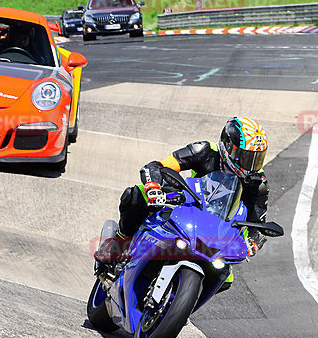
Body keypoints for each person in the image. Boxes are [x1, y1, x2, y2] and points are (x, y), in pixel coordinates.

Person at [94, 117, 270, 273]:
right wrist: (153, 187)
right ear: (228, 146)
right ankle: (119, 242)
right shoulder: (205, 150)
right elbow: (157, 166)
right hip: (189, 202)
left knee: (225, 277)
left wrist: (252, 242)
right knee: (135, 195)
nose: (251, 165)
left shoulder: (258, 181)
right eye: (246, 157)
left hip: (219, 229)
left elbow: (257, 223)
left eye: (257, 159)